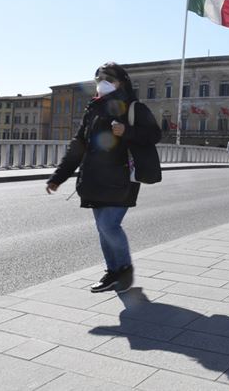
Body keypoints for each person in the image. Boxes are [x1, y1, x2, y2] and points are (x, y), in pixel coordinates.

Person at [46, 62, 161, 293]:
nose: (103, 83)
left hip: (121, 179)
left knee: (109, 225)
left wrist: (126, 131)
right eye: (99, 78)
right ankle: (112, 272)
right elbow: (78, 146)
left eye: (109, 78)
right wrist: (59, 176)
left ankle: (124, 269)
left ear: (122, 82)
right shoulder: (93, 109)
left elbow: (155, 134)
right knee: (103, 228)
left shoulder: (133, 107)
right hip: (94, 179)